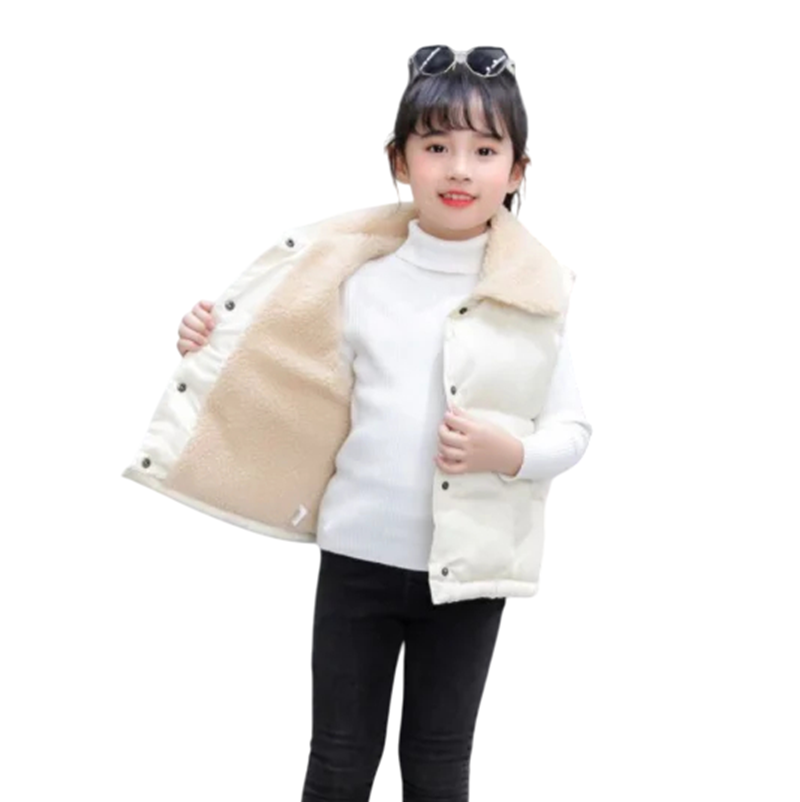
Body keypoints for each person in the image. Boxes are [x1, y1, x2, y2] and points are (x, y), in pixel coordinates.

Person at [169, 45, 592, 802]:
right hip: (356, 559)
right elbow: (282, 375)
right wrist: (211, 342)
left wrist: (509, 452)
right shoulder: (357, 281)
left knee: (437, 760)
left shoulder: (538, 298)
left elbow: (573, 430)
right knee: (338, 758)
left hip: (467, 572)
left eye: (484, 150)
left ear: (517, 171)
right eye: (436, 146)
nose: (459, 169)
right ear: (400, 161)